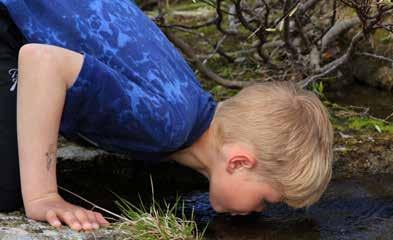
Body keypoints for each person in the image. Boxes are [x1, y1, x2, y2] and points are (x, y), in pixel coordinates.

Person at [0, 0, 333, 232]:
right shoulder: (164, 127)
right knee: (9, 193)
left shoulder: (190, 108)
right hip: (11, 24)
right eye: (265, 199)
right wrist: (43, 196)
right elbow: (41, 62)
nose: (260, 211)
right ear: (239, 162)